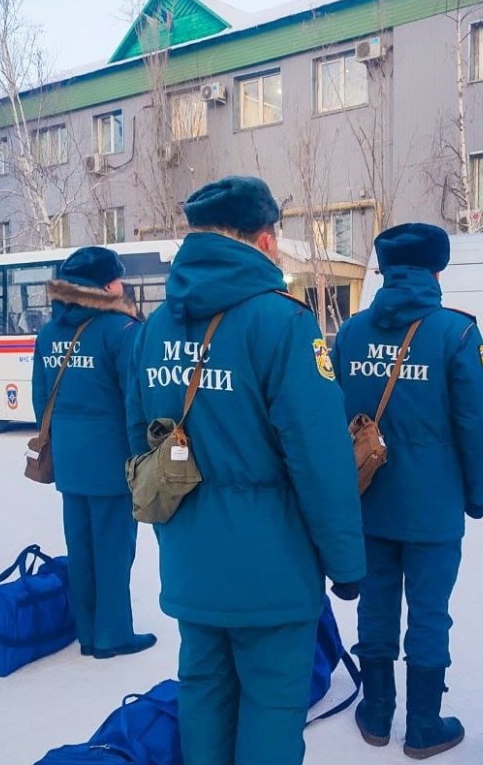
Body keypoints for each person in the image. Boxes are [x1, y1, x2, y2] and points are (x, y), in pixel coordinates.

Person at [126, 175, 365, 765]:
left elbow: (140, 443)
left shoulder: (155, 327)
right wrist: (346, 561)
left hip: (191, 558)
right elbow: (320, 458)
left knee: (204, 694)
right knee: (273, 705)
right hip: (272, 566)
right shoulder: (282, 322)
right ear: (263, 240)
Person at [331, 223, 483, 758]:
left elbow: (331, 419)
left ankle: (377, 713)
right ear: (437, 269)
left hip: (367, 497)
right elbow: (478, 425)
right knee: (430, 612)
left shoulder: (350, 333)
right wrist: (479, 493)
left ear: (383, 268)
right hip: (433, 504)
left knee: (376, 605)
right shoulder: (457, 333)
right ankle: (423, 725)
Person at [31, 247, 156, 659]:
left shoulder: (49, 332)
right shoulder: (122, 330)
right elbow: (136, 402)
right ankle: (114, 635)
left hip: (69, 461)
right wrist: (142, 457)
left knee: (81, 548)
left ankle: (87, 631)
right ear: (106, 285)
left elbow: (40, 399)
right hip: (113, 461)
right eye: (118, 279)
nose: (122, 286)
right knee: (115, 549)